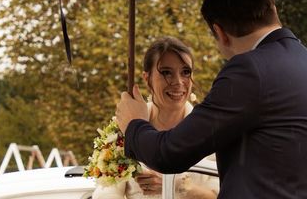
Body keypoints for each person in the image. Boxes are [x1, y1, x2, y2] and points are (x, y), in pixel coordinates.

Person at [116, 0, 307, 199]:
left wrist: (134, 124)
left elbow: (168, 154)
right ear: (272, 10)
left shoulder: (250, 70)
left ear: (220, 33)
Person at [93, 37, 218, 199]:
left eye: (185, 72)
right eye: (166, 72)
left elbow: (220, 194)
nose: (178, 82)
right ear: (147, 78)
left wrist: (175, 185)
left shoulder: (209, 130)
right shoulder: (124, 128)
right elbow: (106, 194)